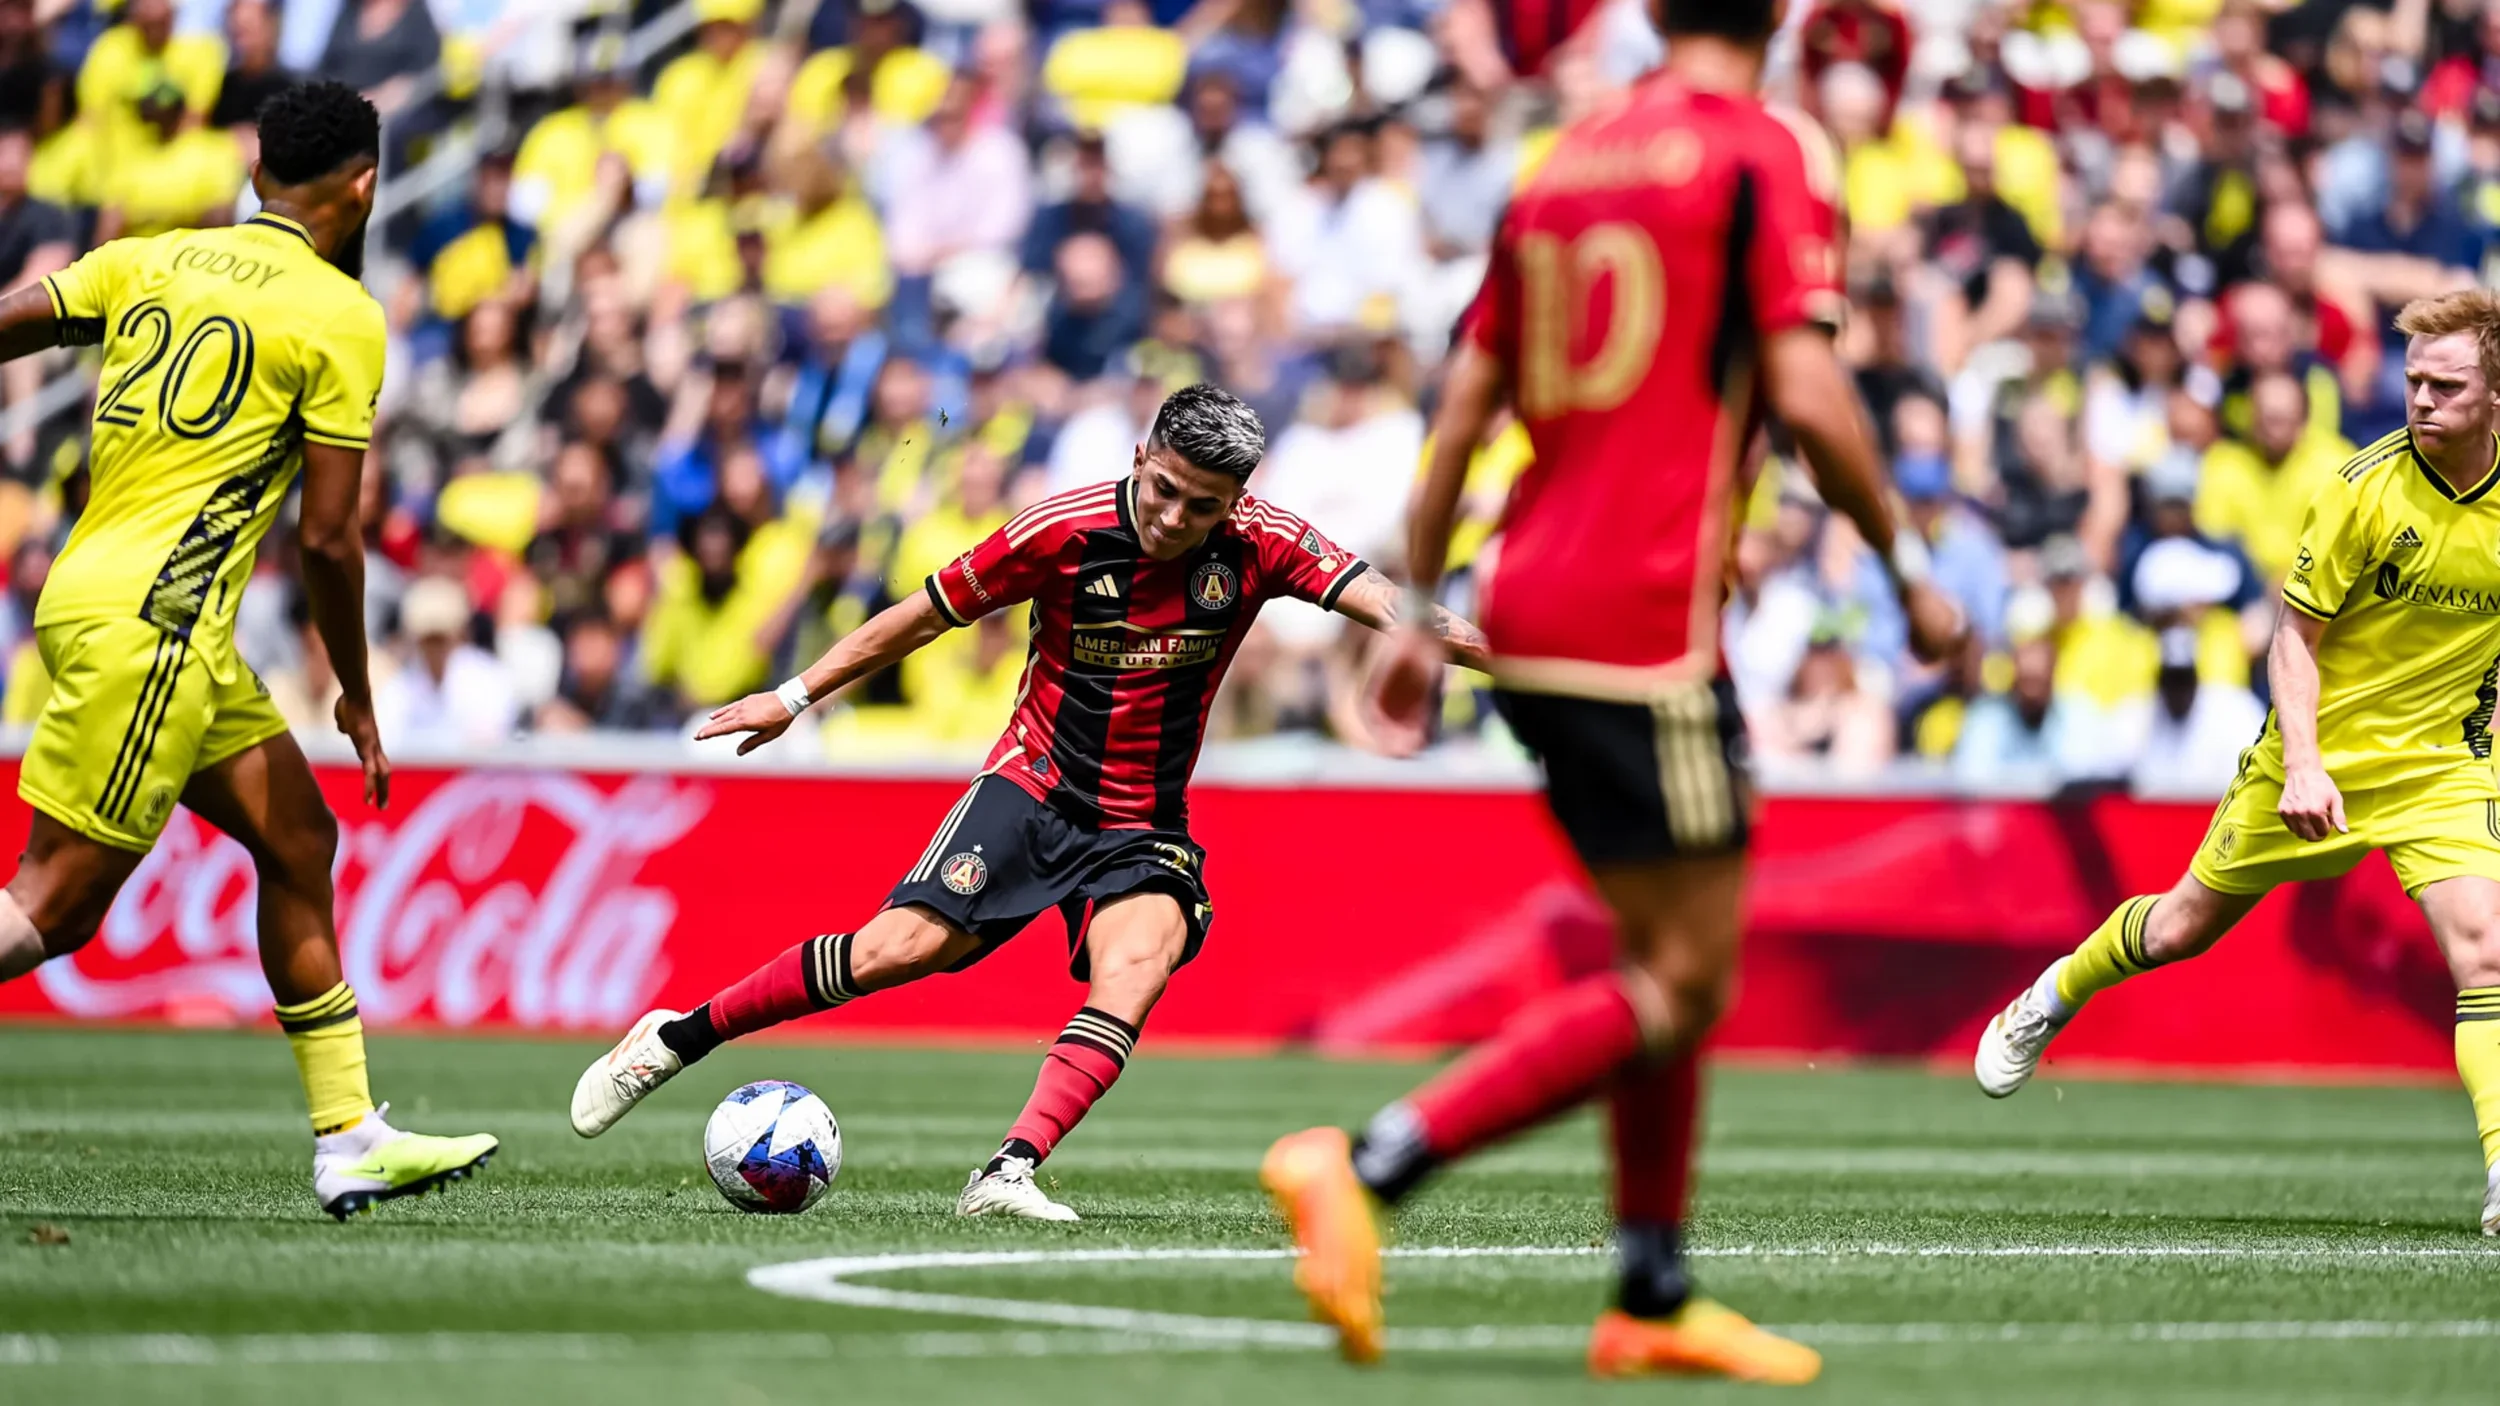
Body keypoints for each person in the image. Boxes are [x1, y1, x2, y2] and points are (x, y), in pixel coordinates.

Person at [1259, 0, 1962, 1383]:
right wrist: (1913, 568)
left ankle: (1650, 1288)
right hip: (1637, 621)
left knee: (1665, 962)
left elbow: (1464, 404)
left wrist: (1411, 609)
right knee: (1690, 977)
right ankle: (1370, 1161)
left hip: (1528, 599)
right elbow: (1810, 389)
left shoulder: (1566, 164)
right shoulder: (1768, 148)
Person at [568, 385, 1490, 1223]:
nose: (1176, 518)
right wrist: (795, 696)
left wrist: (1530, 655)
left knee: (1141, 959)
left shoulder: (1264, 540)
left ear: (1236, 500)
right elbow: (925, 614)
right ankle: (675, 1039)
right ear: (1141, 456)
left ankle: (1006, 1172)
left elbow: (1399, 611)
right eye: (1165, 488)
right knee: (903, 951)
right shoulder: (1061, 530)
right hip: (1034, 784)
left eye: (1203, 505)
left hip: (1143, 820)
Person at [0, 81, 495, 1219]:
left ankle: (351, 1134)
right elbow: (327, 533)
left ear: (258, 166)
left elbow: (16, 315)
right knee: (56, 904)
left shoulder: (151, 258)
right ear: (363, 185)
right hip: (159, 625)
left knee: (296, 837)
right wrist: (359, 694)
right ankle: (349, 1134)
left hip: (110, 599)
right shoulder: (340, 314)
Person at [1974, 290, 2500, 1241]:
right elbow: (2291, 640)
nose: (2420, 401)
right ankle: (2054, 995)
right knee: (2180, 928)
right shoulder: (2362, 488)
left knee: (2489, 950)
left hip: (2440, 766)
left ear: (2494, 391)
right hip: (2321, 754)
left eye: (2446, 385)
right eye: (2414, 381)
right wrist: (2303, 763)